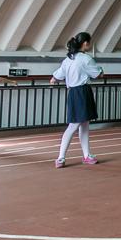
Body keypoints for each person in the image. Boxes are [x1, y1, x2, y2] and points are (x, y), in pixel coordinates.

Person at [51, 32, 103, 168]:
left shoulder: (68, 59)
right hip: (82, 92)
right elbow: (98, 74)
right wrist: (101, 71)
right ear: (85, 43)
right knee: (73, 125)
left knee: (84, 125)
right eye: (89, 42)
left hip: (73, 92)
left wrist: (54, 79)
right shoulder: (85, 59)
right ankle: (61, 157)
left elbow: (57, 75)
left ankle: (87, 155)